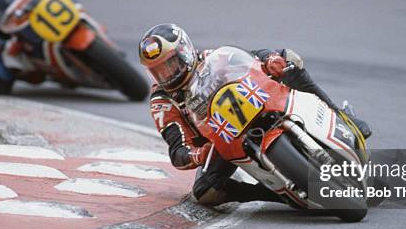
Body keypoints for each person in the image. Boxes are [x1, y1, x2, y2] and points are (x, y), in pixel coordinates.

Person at [139, 23, 372, 206]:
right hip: (220, 141)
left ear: (185, 52)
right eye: (158, 71)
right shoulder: (162, 102)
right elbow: (178, 152)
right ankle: (275, 195)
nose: (167, 74)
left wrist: (271, 59)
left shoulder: (212, 58)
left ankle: (340, 114)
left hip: (256, 102)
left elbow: (252, 57)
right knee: (204, 193)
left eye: (171, 64)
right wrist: (200, 154)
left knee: (289, 59)